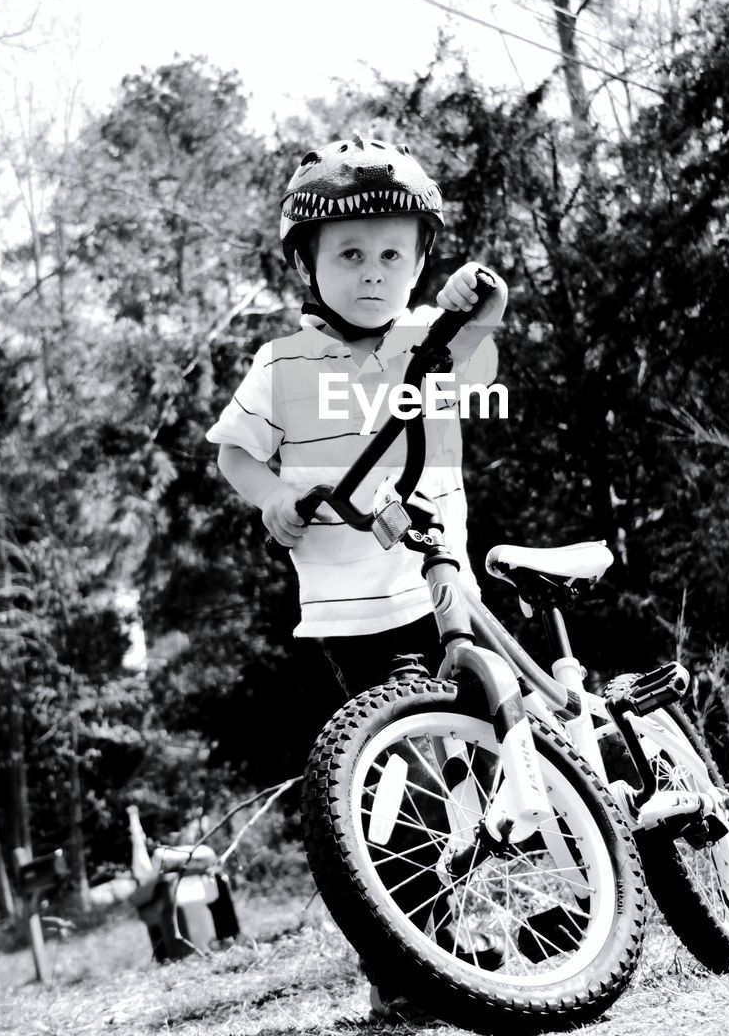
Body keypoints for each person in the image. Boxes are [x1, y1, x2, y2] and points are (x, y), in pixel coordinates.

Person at [206, 134, 507, 1012]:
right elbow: (236, 455)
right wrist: (272, 495)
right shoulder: (282, 364)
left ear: (417, 263)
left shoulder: (428, 338)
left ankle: (530, 895)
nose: (372, 272)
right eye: (348, 254)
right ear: (307, 263)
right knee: (390, 785)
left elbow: (480, 347)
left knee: (488, 749)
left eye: (392, 255)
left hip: (438, 581)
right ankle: (407, 964)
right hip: (349, 613)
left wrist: (479, 296)